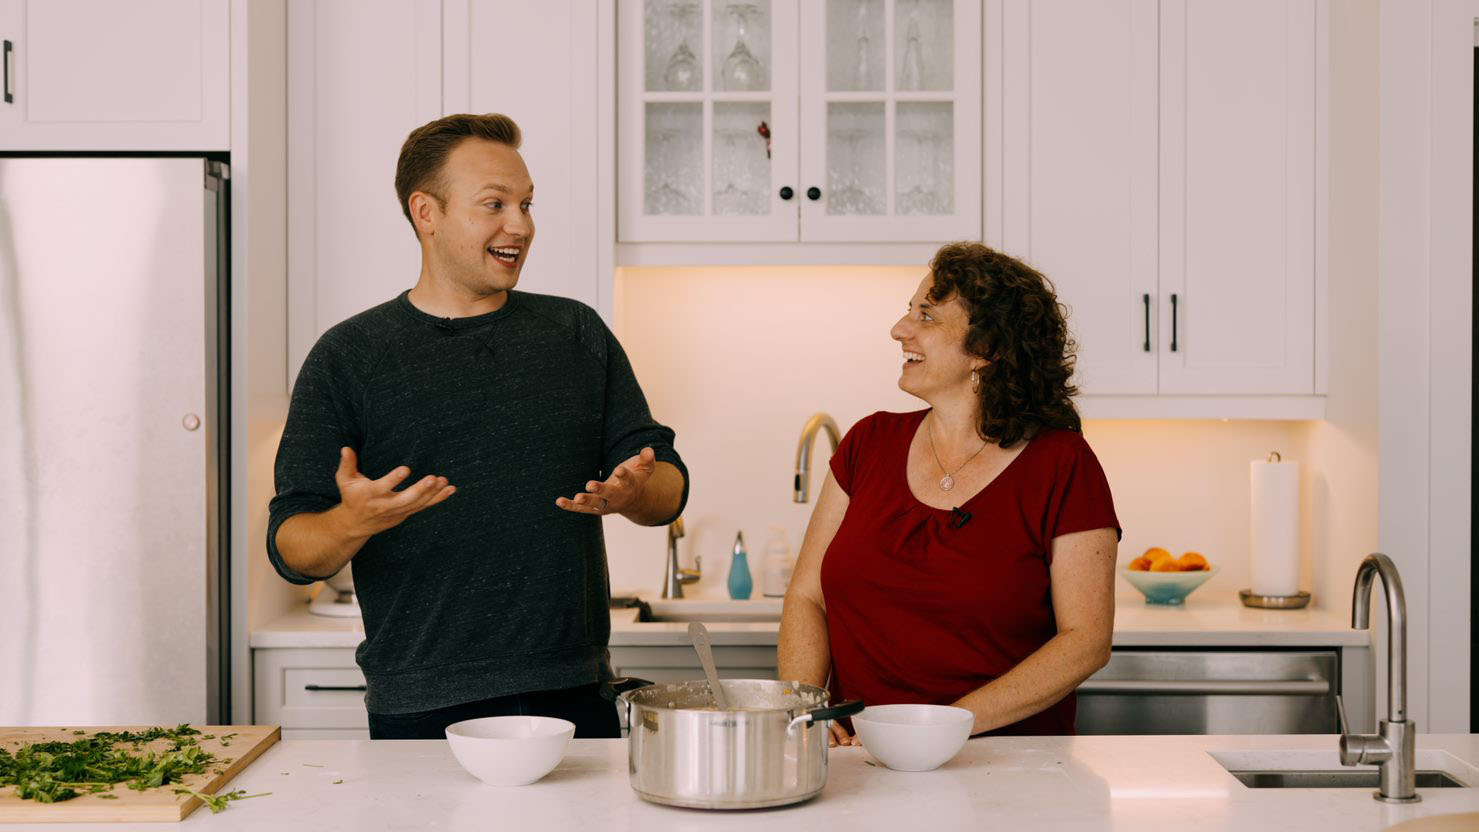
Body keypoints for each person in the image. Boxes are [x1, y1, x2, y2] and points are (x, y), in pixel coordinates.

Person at [267, 113, 688, 739]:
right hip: (420, 705)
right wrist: (354, 521)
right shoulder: (350, 355)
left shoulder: (575, 333)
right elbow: (292, 547)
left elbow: (667, 483)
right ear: (425, 212)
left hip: (572, 692)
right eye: (494, 204)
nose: (519, 225)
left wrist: (633, 493)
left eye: (526, 204)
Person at [778, 242, 1119, 743]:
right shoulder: (867, 444)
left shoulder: (1062, 464)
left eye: (927, 316)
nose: (900, 329)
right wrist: (807, 709)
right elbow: (808, 596)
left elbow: (1086, 640)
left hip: (1006, 771)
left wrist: (941, 729)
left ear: (987, 350)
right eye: (908, 310)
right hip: (861, 765)